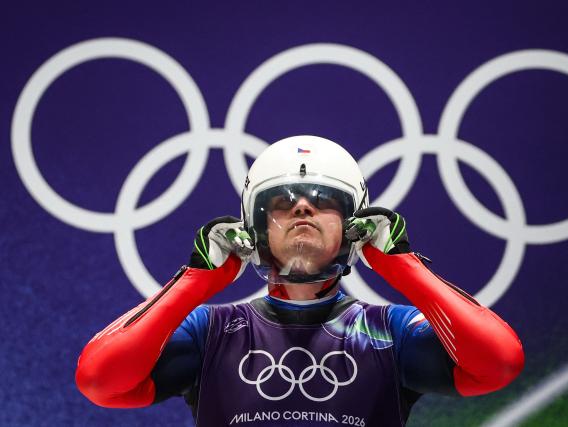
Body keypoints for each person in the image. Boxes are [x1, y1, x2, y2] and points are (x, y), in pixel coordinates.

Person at [75, 135, 524, 426]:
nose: (303, 209)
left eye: (323, 201)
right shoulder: (209, 330)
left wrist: (401, 266)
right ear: (256, 226)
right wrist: (196, 281)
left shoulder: (392, 332)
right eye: (283, 204)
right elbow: (100, 380)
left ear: (355, 224)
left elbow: (499, 363)